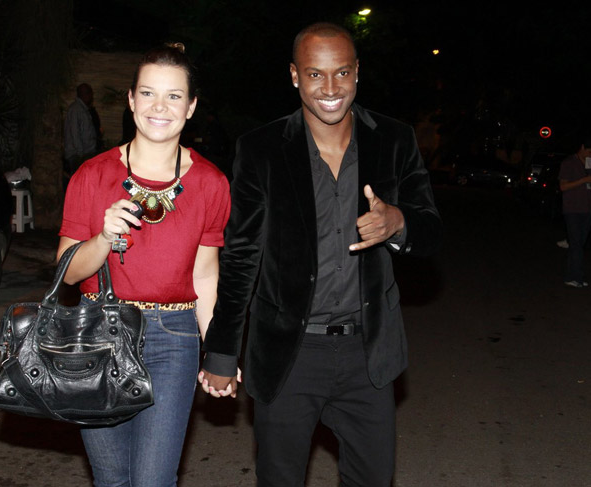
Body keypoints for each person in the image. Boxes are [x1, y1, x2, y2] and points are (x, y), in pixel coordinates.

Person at [198, 22, 442, 486]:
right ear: (295, 76)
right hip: (289, 354)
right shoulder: (262, 149)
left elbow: (430, 233)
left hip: (367, 352)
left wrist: (398, 222)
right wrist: (222, 350)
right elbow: (242, 258)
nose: (330, 88)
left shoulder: (394, 140)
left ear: (357, 72)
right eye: (315, 74)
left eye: (342, 73)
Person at [57, 43, 231, 486]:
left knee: (153, 480)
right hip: (98, 333)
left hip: (174, 338)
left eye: (174, 96)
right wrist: (103, 238)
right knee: (112, 479)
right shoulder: (92, 175)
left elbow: (205, 274)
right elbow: (68, 273)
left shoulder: (210, 183)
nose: (160, 107)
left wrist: (219, 351)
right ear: (132, 100)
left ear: (191, 107)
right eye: (149, 93)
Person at [558, 135, 591, 287]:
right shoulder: (569, 163)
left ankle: (572, 276)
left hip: (587, 208)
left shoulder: (589, 163)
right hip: (573, 209)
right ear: (582, 148)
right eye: (589, 151)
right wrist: (583, 180)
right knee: (576, 244)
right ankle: (576, 277)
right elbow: (563, 186)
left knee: (579, 244)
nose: (590, 155)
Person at [64, 82, 98, 177]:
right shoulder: (76, 110)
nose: (91, 96)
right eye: (90, 93)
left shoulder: (83, 109)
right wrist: (80, 154)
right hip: (78, 155)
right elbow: (75, 133)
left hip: (84, 153)